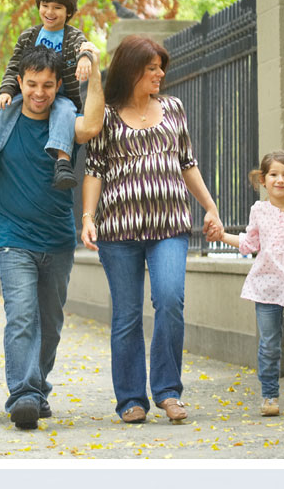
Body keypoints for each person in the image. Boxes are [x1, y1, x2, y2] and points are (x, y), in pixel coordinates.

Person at [0, 43, 104, 430]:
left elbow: (95, 124)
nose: (39, 93)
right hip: (14, 237)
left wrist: (95, 70)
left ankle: (38, 388)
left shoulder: (66, 120)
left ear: (56, 86)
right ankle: (23, 395)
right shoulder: (0, 119)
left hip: (59, 238)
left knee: (50, 324)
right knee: (21, 317)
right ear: (19, 82)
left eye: (48, 86)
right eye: (32, 84)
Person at [80, 34, 223, 424]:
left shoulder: (173, 108)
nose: (160, 74)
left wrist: (210, 208)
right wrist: (88, 218)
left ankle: (168, 391)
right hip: (118, 229)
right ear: (131, 70)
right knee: (126, 315)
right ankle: (130, 398)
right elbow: (94, 170)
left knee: (170, 300)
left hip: (170, 226)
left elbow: (187, 163)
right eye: (152, 68)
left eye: (161, 67)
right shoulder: (105, 116)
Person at [211, 150, 284, 418]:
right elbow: (250, 244)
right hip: (267, 286)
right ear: (263, 180)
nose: (280, 179)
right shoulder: (259, 211)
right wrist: (222, 235)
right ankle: (269, 396)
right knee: (269, 345)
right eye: (274, 174)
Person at [0, 0, 94, 190]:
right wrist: (5, 91)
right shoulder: (29, 36)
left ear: (68, 12)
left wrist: (85, 58)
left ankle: (63, 163)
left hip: (61, 95)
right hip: (30, 92)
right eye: (45, 6)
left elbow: (84, 47)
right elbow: (14, 67)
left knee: (65, 112)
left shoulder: (72, 36)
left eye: (57, 7)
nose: (49, 12)